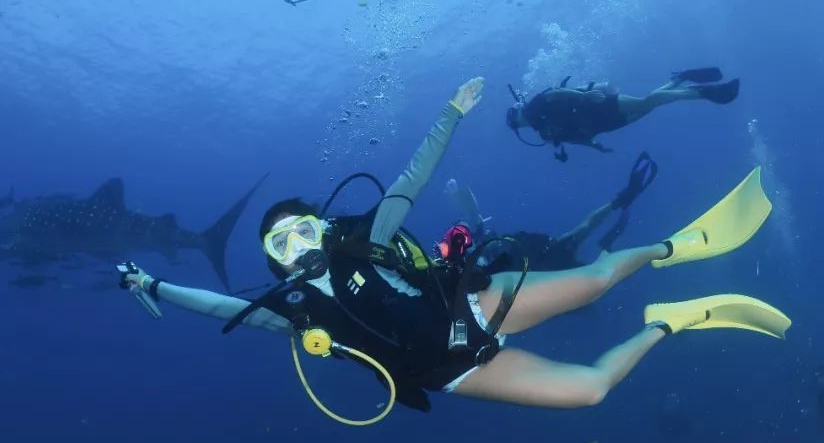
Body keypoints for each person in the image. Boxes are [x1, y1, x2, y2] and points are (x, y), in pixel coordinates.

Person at [119, 78, 790, 422]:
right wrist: (154, 287)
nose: (296, 247)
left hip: (474, 310)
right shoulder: (293, 312)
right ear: (275, 262)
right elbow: (215, 305)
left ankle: (672, 247)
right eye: (280, 244)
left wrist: (450, 114)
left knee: (599, 278)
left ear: (322, 231)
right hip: (451, 375)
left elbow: (407, 185)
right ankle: (671, 321)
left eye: (302, 230)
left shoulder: (365, 245)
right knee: (589, 394)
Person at [445, 151, 659, 273]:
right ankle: (618, 207)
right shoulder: (478, 247)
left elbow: (472, 215)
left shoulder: (475, 251)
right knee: (583, 236)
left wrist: (457, 196)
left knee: (592, 267)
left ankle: (615, 224)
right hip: (540, 256)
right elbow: (473, 216)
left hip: (540, 265)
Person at [505, 67, 738, 161]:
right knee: (648, 106)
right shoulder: (544, 133)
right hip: (602, 124)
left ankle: (702, 93)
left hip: (594, 105)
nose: (519, 115)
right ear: (517, 127)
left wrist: (584, 96)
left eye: (514, 114)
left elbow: (555, 92)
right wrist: (595, 145)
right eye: (515, 119)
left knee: (646, 102)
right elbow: (574, 138)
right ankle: (680, 78)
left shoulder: (533, 106)